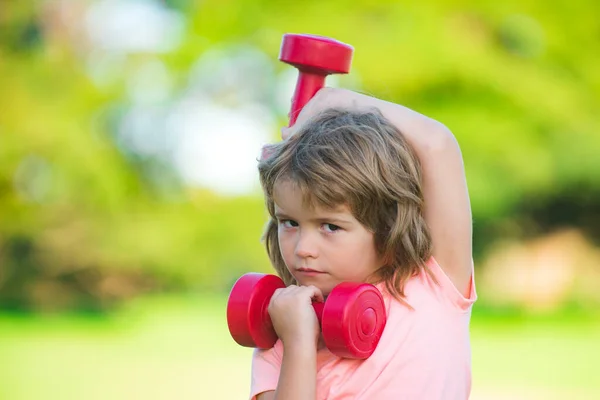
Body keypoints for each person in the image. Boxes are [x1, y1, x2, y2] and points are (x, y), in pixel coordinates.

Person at [250, 87, 476, 400]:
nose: (303, 248)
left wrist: (335, 100)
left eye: (330, 226)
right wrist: (299, 342)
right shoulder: (280, 336)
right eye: (290, 223)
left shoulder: (433, 286)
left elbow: (437, 143)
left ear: (387, 227)